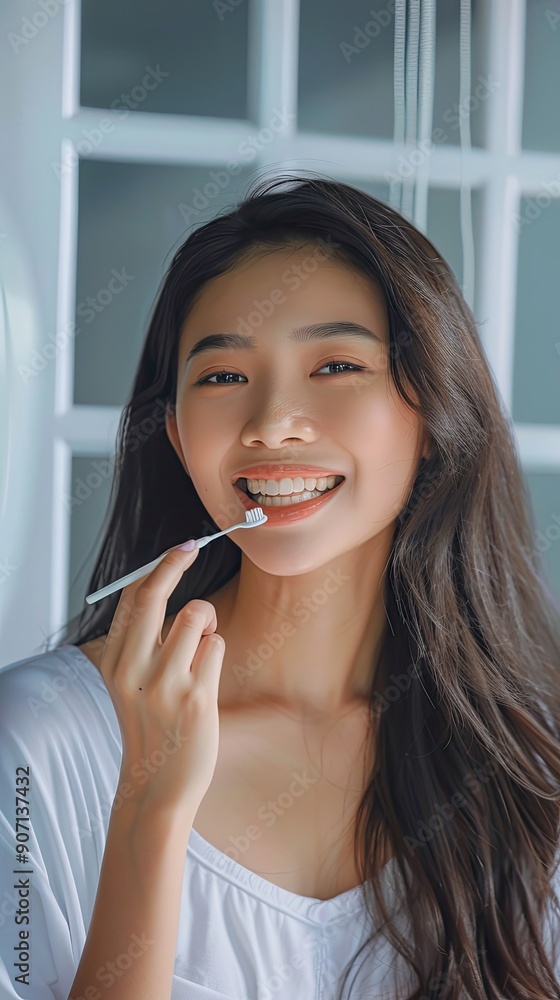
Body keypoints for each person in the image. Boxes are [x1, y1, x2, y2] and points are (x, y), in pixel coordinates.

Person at [1, 174, 560, 1000]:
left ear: (435, 413)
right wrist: (149, 811)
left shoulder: (531, 757)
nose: (270, 424)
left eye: (336, 365)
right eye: (223, 377)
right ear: (176, 434)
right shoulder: (33, 743)